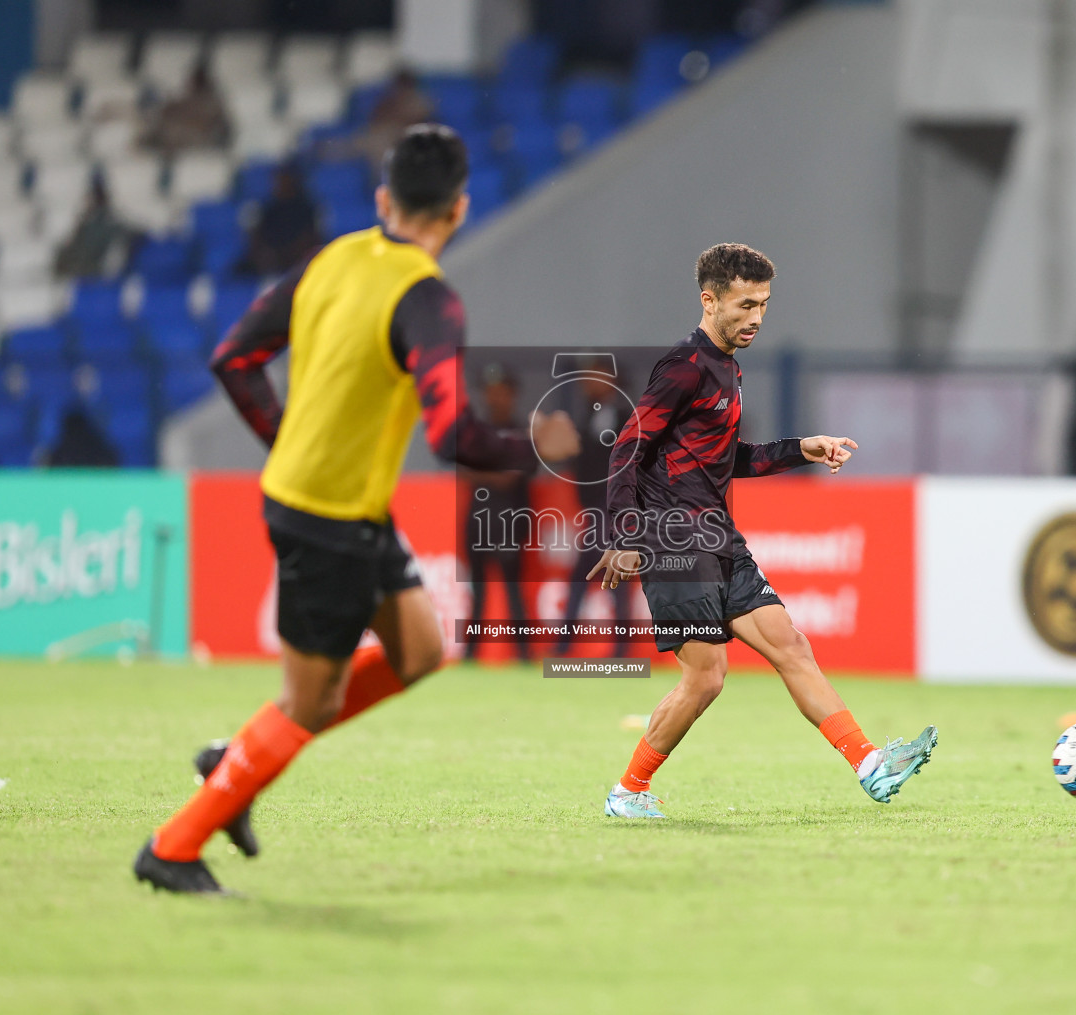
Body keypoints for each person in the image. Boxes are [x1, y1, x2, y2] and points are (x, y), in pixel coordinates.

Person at [133, 124, 580, 893]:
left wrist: (286, 438)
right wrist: (534, 443)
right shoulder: (430, 300)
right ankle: (174, 846)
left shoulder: (333, 257)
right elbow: (451, 433)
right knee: (310, 704)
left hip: (345, 509)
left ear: (383, 199)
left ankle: (233, 762)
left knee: (420, 649)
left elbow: (233, 359)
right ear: (460, 209)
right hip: (324, 517)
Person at [591, 243, 937, 818]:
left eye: (765, 304)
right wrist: (626, 534)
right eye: (745, 303)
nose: (756, 317)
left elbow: (731, 459)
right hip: (674, 539)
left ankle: (869, 764)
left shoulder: (727, 368)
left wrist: (804, 448)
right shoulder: (684, 366)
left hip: (718, 538)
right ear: (709, 300)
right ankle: (628, 791)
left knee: (792, 647)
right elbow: (628, 445)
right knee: (706, 677)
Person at [555, 367, 631, 657]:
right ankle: (617, 648)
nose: (588, 383)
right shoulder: (589, 413)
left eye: (594, 376)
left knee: (595, 574)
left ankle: (566, 646)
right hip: (597, 509)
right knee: (605, 574)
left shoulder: (625, 414)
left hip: (612, 509)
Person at [461, 363, 533, 663]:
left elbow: (512, 476)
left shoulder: (521, 432)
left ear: (512, 394)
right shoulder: (477, 431)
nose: (495, 397)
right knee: (476, 590)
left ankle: (523, 653)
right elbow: (464, 469)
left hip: (509, 521)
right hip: (478, 521)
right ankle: (470, 653)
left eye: (501, 391)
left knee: (513, 589)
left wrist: (483, 474)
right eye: (490, 392)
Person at [240, 163, 321, 278]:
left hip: (296, 259)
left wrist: (286, 254)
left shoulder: (307, 208)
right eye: (278, 181)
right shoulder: (269, 209)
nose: (280, 185)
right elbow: (259, 237)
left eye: (285, 180)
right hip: (271, 259)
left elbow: (310, 239)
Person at [53, 175, 137, 279]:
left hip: (92, 270)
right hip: (83, 266)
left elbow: (125, 231)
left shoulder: (106, 220)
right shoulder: (86, 220)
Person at [139, 63, 231, 155]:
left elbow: (199, 117)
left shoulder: (211, 101)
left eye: (192, 80)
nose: (189, 83)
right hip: (181, 136)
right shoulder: (192, 98)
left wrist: (171, 108)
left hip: (196, 140)